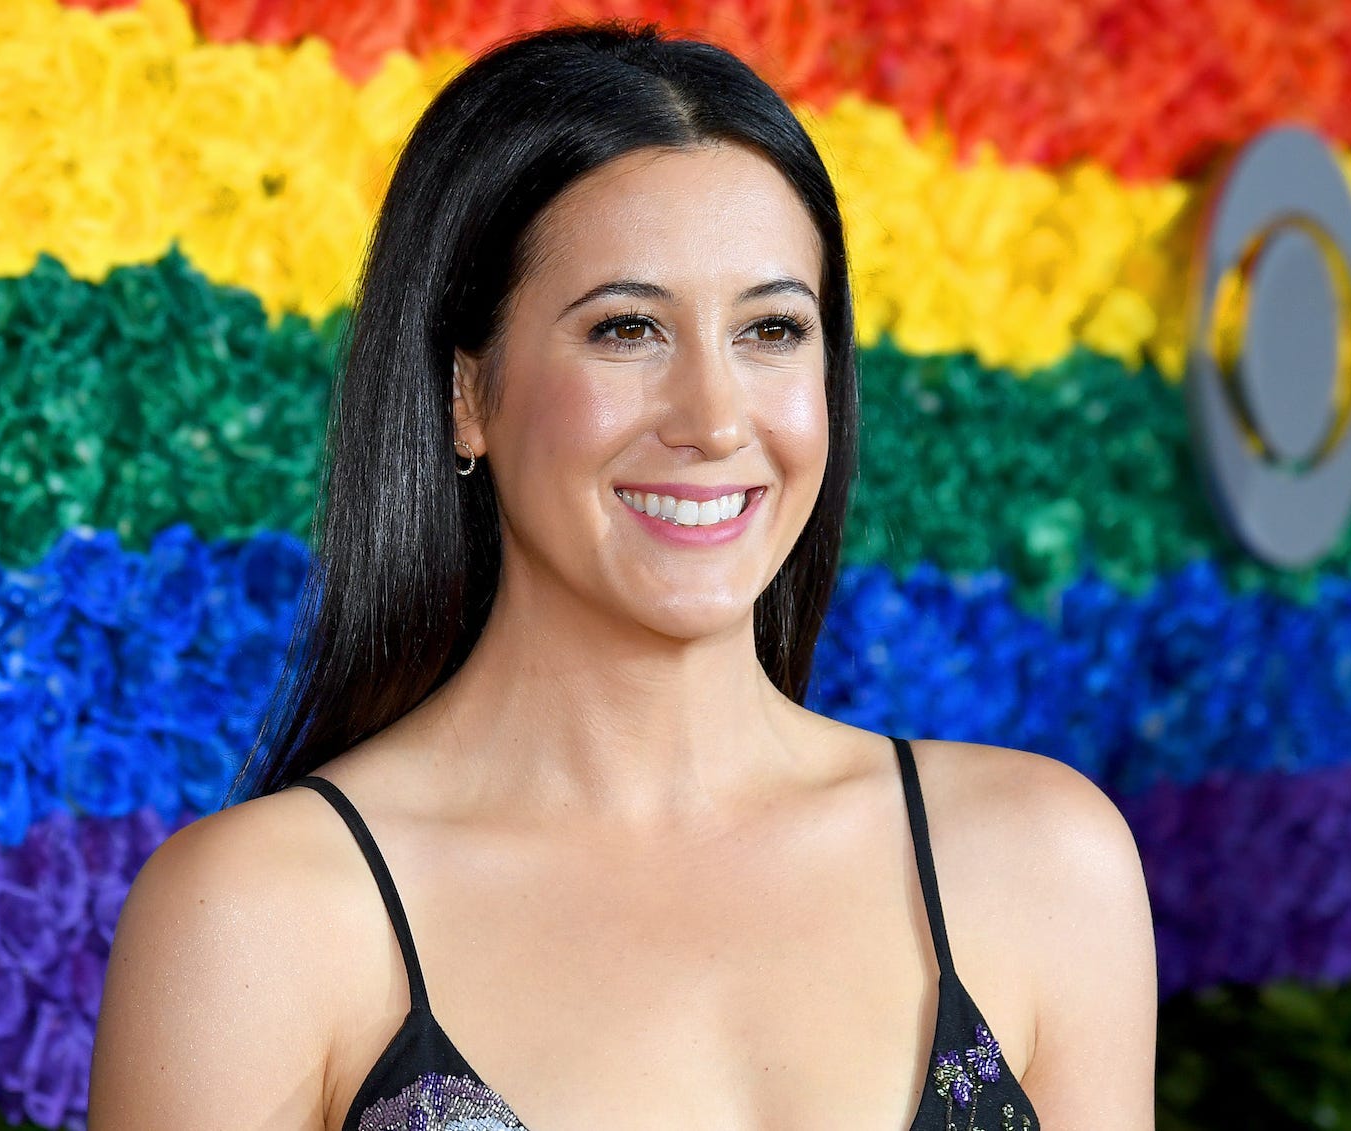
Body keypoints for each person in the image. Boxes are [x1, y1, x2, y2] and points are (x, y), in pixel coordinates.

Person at [88, 22, 1158, 1131]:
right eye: (628, 328)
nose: (713, 419)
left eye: (772, 330)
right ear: (466, 392)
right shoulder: (259, 920)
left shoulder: (1039, 862)